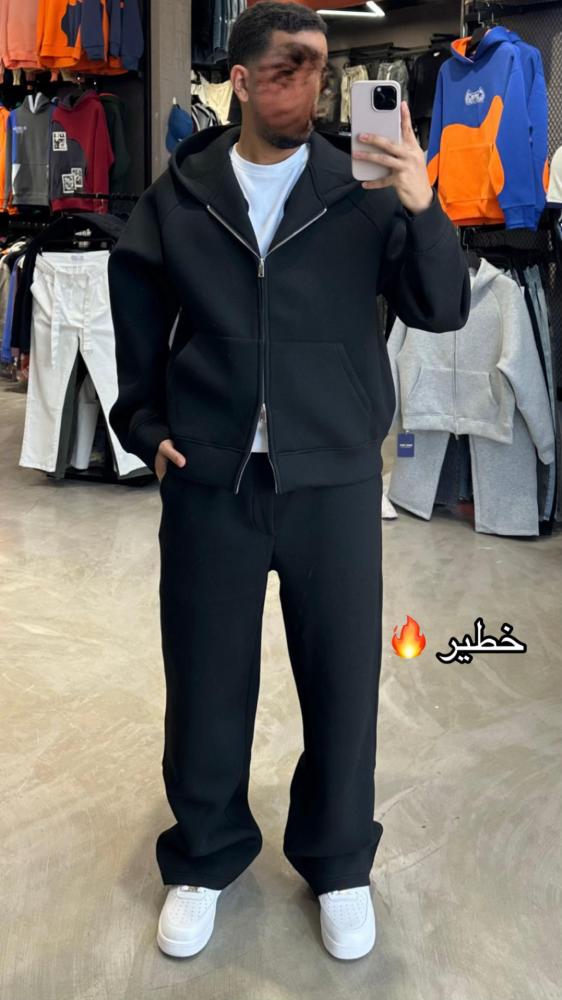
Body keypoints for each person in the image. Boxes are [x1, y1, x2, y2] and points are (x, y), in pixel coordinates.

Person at [107, 0, 470, 963]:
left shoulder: (363, 187)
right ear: (239, 78)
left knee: (344, 681)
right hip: (213, 479)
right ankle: (204, 856)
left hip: (334, 478)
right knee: (206, 677)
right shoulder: (182, 193)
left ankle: (339, 861)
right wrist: (147, 427)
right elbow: (134, 312)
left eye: (318, 68)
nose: (308, 87)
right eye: (286, 69)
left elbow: (441, 308)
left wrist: (422, 202)